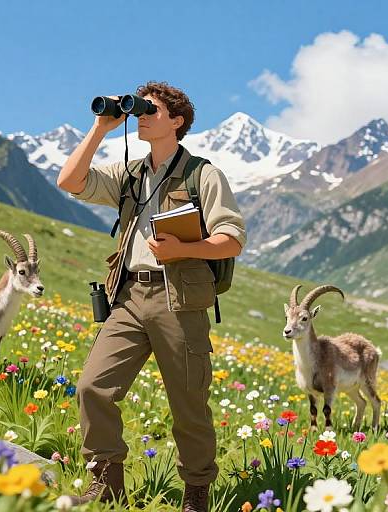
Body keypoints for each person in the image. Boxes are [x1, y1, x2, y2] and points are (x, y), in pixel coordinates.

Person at [57, 81, 246, 512]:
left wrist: (183, 250)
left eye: (152, 110)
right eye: (138, 110)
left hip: (178, 298)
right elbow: (70, 180)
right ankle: (106, 485)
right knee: (92, 388)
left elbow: (231, 239)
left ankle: (197, 490)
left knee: (187, 401)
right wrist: (101, 128)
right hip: (128, 294)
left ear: (177, 123)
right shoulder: (130, 174)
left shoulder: (203, 174)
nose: (141, 116)